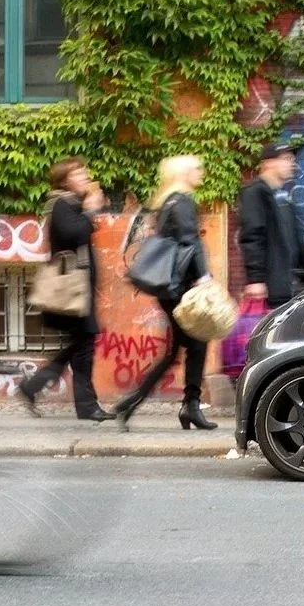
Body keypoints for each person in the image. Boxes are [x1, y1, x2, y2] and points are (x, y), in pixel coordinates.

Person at [114, 155, 216, 431]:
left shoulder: (168, 201)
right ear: (182, 173)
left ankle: (135, 403)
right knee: (195, 342)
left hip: (171, 286)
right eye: (196, 169)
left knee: (182, 348)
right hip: (178, 285)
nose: (200, 174)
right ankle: (188, 406)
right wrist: (204, 277)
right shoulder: (182, 201)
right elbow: (189, 240)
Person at [17, 158, 114, 422]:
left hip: (79, 287)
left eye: (85, 172)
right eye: (78, 174)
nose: (85, 177)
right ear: (64, 180)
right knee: (83, 347)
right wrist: (91, 211)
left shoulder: (71, 205)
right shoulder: (60, 204)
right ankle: (86, 406)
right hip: (71, 289)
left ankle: (33, 387)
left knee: (80, 346)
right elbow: (75, 235)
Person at [238, 143, 304, 310]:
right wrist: (256, 280)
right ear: (268, 163)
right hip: (270, 290)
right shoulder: (255, 193)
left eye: (292, 158)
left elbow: (295, 240)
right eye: (286, 158)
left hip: (287, 288)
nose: (292, 163)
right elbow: (252, 237)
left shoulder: (282, 197)